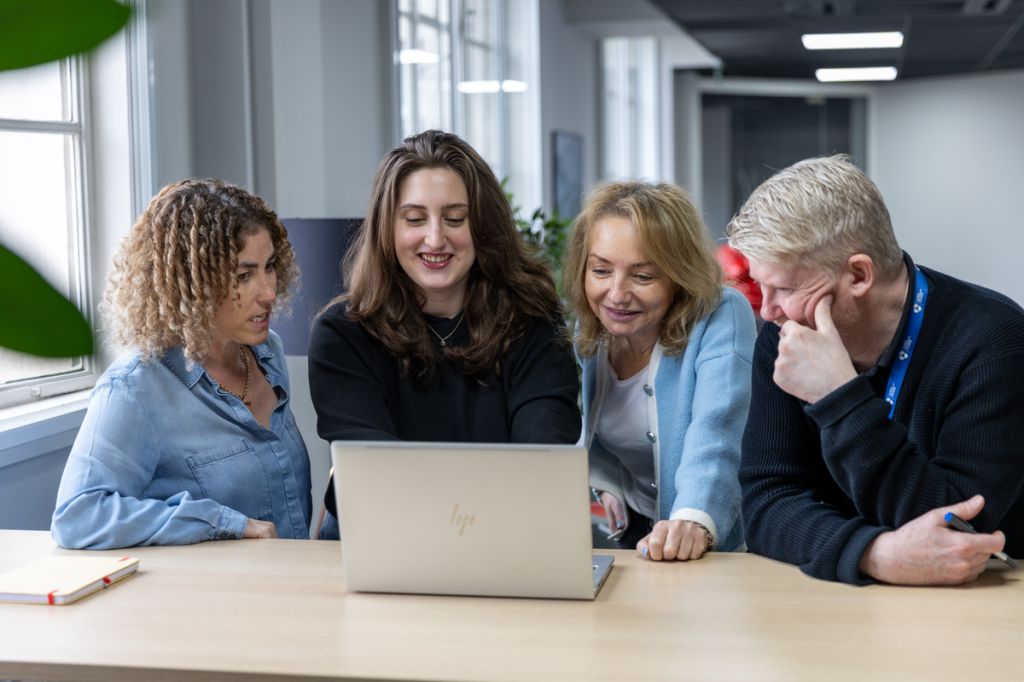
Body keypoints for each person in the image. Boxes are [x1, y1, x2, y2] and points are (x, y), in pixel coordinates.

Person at [727, 155, 1024, 585]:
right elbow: (766, 504)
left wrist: (839, 398)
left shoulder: (996, 340)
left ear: (859, 275)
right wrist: (871, 553)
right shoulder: (786, 334)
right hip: (838, 599)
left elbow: (956, 530)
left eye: (786, 288)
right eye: (761, 287)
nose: (768, 311)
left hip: (980, 602)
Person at [309, 130, 581, 536]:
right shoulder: (343, 335)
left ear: (484, 226)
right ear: (387, 228)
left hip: (503, 533)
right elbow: (373, 475)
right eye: (414, 219)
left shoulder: (533, 322)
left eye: (455, 219)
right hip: (384, 536)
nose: (435, 239)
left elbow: (542, 462)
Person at [51, 179, 312, 549]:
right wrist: (224, 523)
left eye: (269, 267)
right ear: (191, 282)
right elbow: (78, 515)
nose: (268, 292)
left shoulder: (269, 353)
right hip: (211, 603)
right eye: (243, 275)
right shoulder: (135, 389)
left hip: (295, 588)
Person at [564, 181, 756, 560]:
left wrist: (693, 520)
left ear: (678, 277)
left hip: (720, 542)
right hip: (638, 534)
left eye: (643, 276)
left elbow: (716, 432)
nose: (616, 294)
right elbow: (596, 433)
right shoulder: (591, 332)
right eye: (601, 270)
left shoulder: (721, 315)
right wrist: (607, 486)